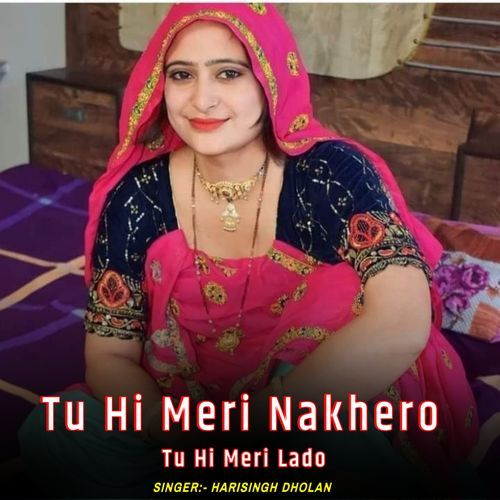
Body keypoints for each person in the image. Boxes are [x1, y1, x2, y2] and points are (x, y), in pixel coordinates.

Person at [18, 3, 481, 498]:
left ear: (269, 80)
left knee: (341, 444)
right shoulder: (136, 197)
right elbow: (109, 353)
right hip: (187, 401)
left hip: (315, 391)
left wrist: (262, 422)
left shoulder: (331, 173)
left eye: (229, 73)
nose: (202, 99)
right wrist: (161, 423)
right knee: (55, 431)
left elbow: (402, 321)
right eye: (181, 75)